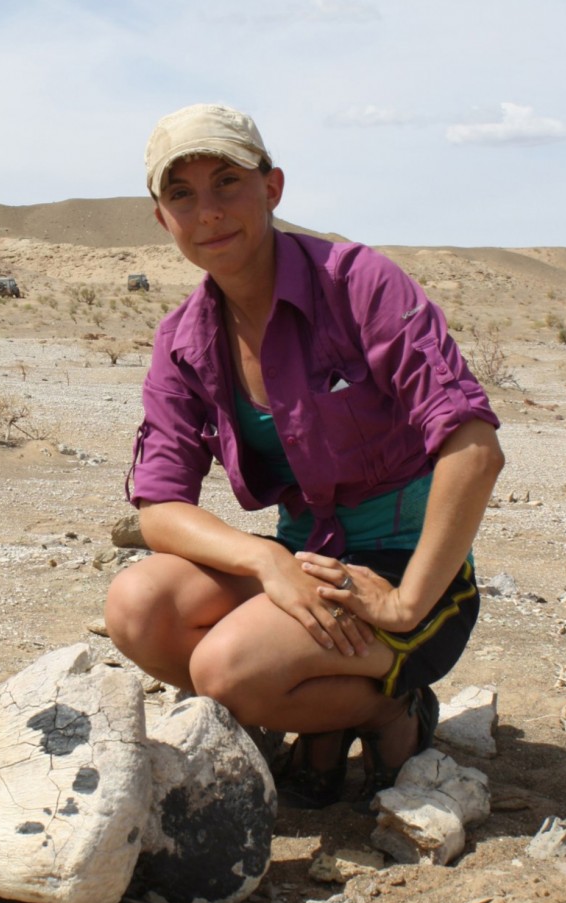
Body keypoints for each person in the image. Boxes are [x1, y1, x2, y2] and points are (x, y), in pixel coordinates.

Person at [104, 103, 504, 809]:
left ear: (272, 187)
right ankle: (319, 707)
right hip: (303, 565)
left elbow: (473, 449)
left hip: (407, 579)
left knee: (228, 670)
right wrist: (266, 561)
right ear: (161, 218)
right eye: (181, 195)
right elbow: (159, 504)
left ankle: (389, 708)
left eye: (227, 181)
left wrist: (406, 600)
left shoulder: (357, 284)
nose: (208, 212)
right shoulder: (184, 339)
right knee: (138, 607)